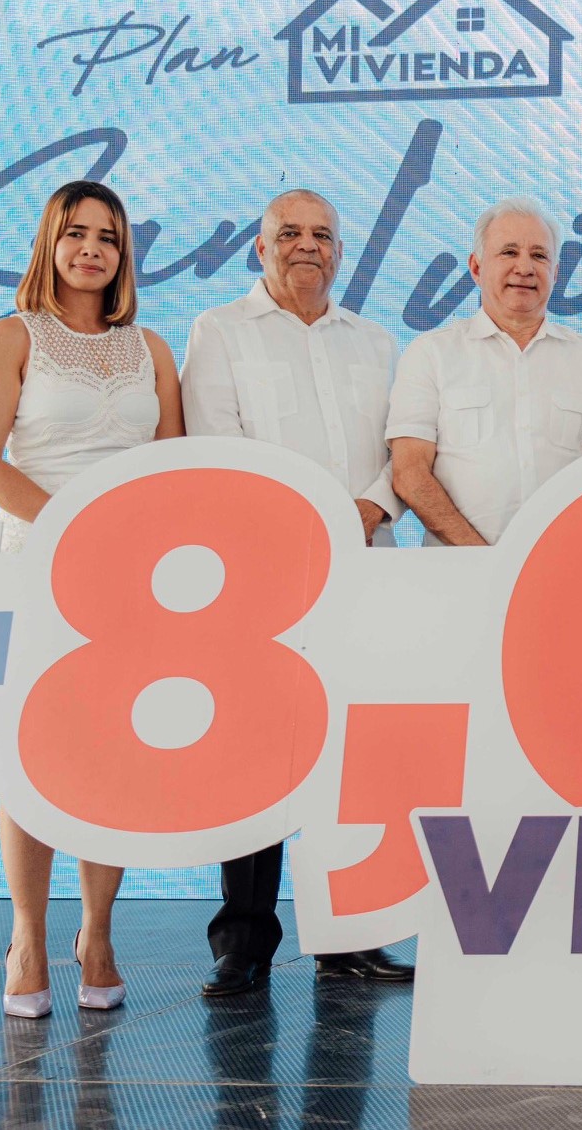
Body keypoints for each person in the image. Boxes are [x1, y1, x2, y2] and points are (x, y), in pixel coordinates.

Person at [179, 189, 415, 997]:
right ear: (260, 246)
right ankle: (242, 943)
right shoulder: (219, 332)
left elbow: (400, 449)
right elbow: (220, 451)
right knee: (258, 758)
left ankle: (349, 937)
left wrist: (370, 509)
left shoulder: (376, 341)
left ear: (341, 251)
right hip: (264, 578)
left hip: (366, 566)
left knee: (352, 756)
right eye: (289, 233)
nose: (306, 246)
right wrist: (311, 530)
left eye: (322, 234)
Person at [0, 180, 184, 1018]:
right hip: (37, 568)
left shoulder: (151, 348)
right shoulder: (11, 336)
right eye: (77, 233)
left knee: (110, 757)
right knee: (33, 755)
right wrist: (73, 532)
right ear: (49, 243)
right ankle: (26, 937)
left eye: (109, 237)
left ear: (125, 256)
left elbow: (173, 470)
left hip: (130, 579)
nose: (92, 249)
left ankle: (98, 934)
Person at [388, 196, 582, 544]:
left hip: (563, 563)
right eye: (509, 252)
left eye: (539, 255)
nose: (525, 268)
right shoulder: (431, 353)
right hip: (457, 567)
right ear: (476, 268)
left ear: (555, 272)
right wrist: (483, 558)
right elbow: (410, 474)